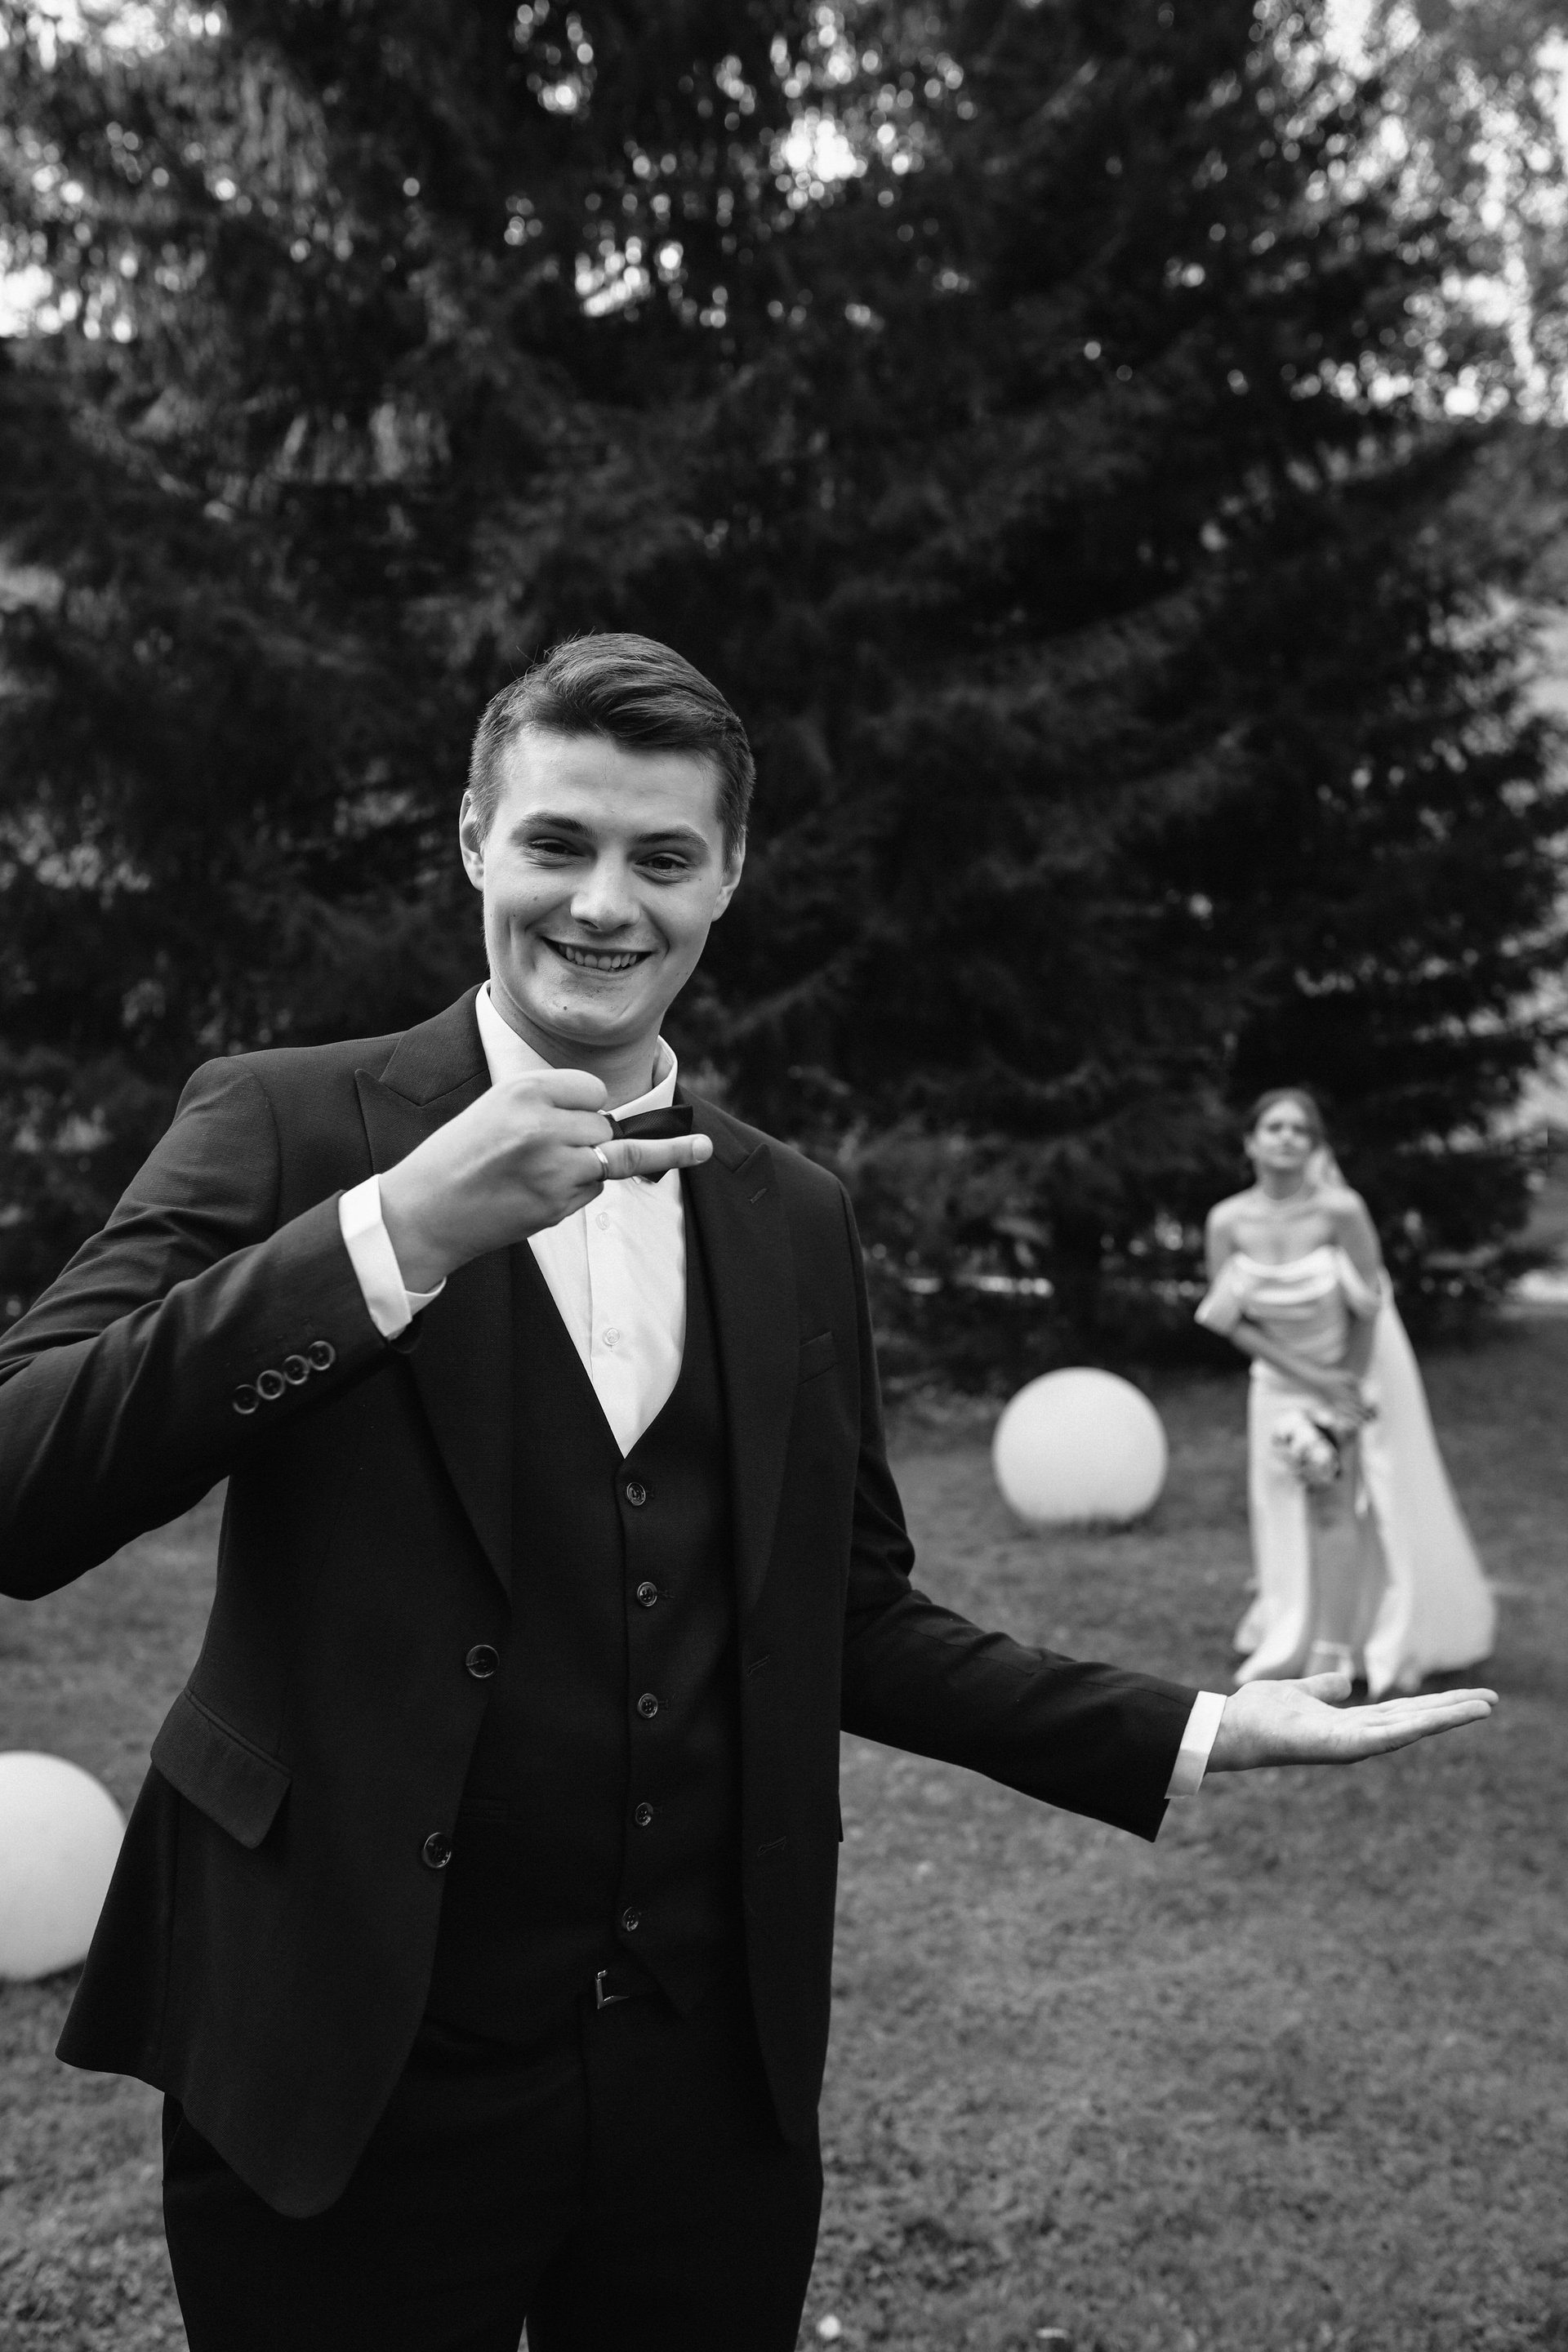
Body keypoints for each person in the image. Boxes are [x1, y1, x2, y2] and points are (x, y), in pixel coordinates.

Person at [0, 639, 1495, 2352]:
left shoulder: (793, 1215)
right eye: (557, 842)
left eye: (662, 856)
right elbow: (22, 1479)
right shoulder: (287, 1124)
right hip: (341, 2060)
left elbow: (848, 1618)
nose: (603, 904)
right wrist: (392, 1235)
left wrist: (1197, 1729)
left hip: (702, 2088)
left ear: (727, 878)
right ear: (475, 840)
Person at [1198, 1088, 1496, 1695]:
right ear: (1251, 1142)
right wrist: (1309, 1378)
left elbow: (1369, 1304)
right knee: (1280, 1507)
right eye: (1275, 1127)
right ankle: (1288, 1633)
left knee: (1336, 1507)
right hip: (1277, 1384)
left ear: (1315, 1146)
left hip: (1349, 1376)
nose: (1287, 1138)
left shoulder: (1341, 1211)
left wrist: (1345, 1391)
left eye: (1300, 1130)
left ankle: (1331, 1652)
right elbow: (1230, 1320)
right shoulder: (1226, 1221)